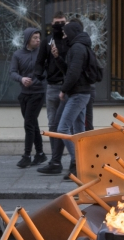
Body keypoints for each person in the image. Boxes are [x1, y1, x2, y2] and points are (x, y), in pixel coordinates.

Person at [44, 21, 92, 179]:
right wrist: (57, 58)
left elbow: (73, 73)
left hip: (78, 93)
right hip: (79, 92)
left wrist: (63, 89)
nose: (63, 36)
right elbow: (69, 70)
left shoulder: (77, 48)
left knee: (62, 129)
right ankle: (82, 165)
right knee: (78, 131)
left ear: (72, 32)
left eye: (65, 33)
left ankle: (77, 162)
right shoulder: (76, 47)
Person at [34, 12, 68, 174]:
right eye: (57, 23)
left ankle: (73, 161)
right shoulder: (47, 42)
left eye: (62, 23)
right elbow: (39, 62)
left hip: (67, 87)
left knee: (67, 126)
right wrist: (38, 75)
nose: (60, 26)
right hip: (52, 86)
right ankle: (56, 161)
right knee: (53, 125)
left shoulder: (70, 41)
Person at [10, 28, 47, 168]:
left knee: (28, 124)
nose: (38, 40)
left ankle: (26, 156)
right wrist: (21, 79)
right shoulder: (18, 55)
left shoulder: (42, 53)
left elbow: (47, 71)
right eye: (35, 38)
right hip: (24, 94)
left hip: (38, 93)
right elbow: (12, 72)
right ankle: (40, 154)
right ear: (27, 40)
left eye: (39, 37)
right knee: (33, 123)